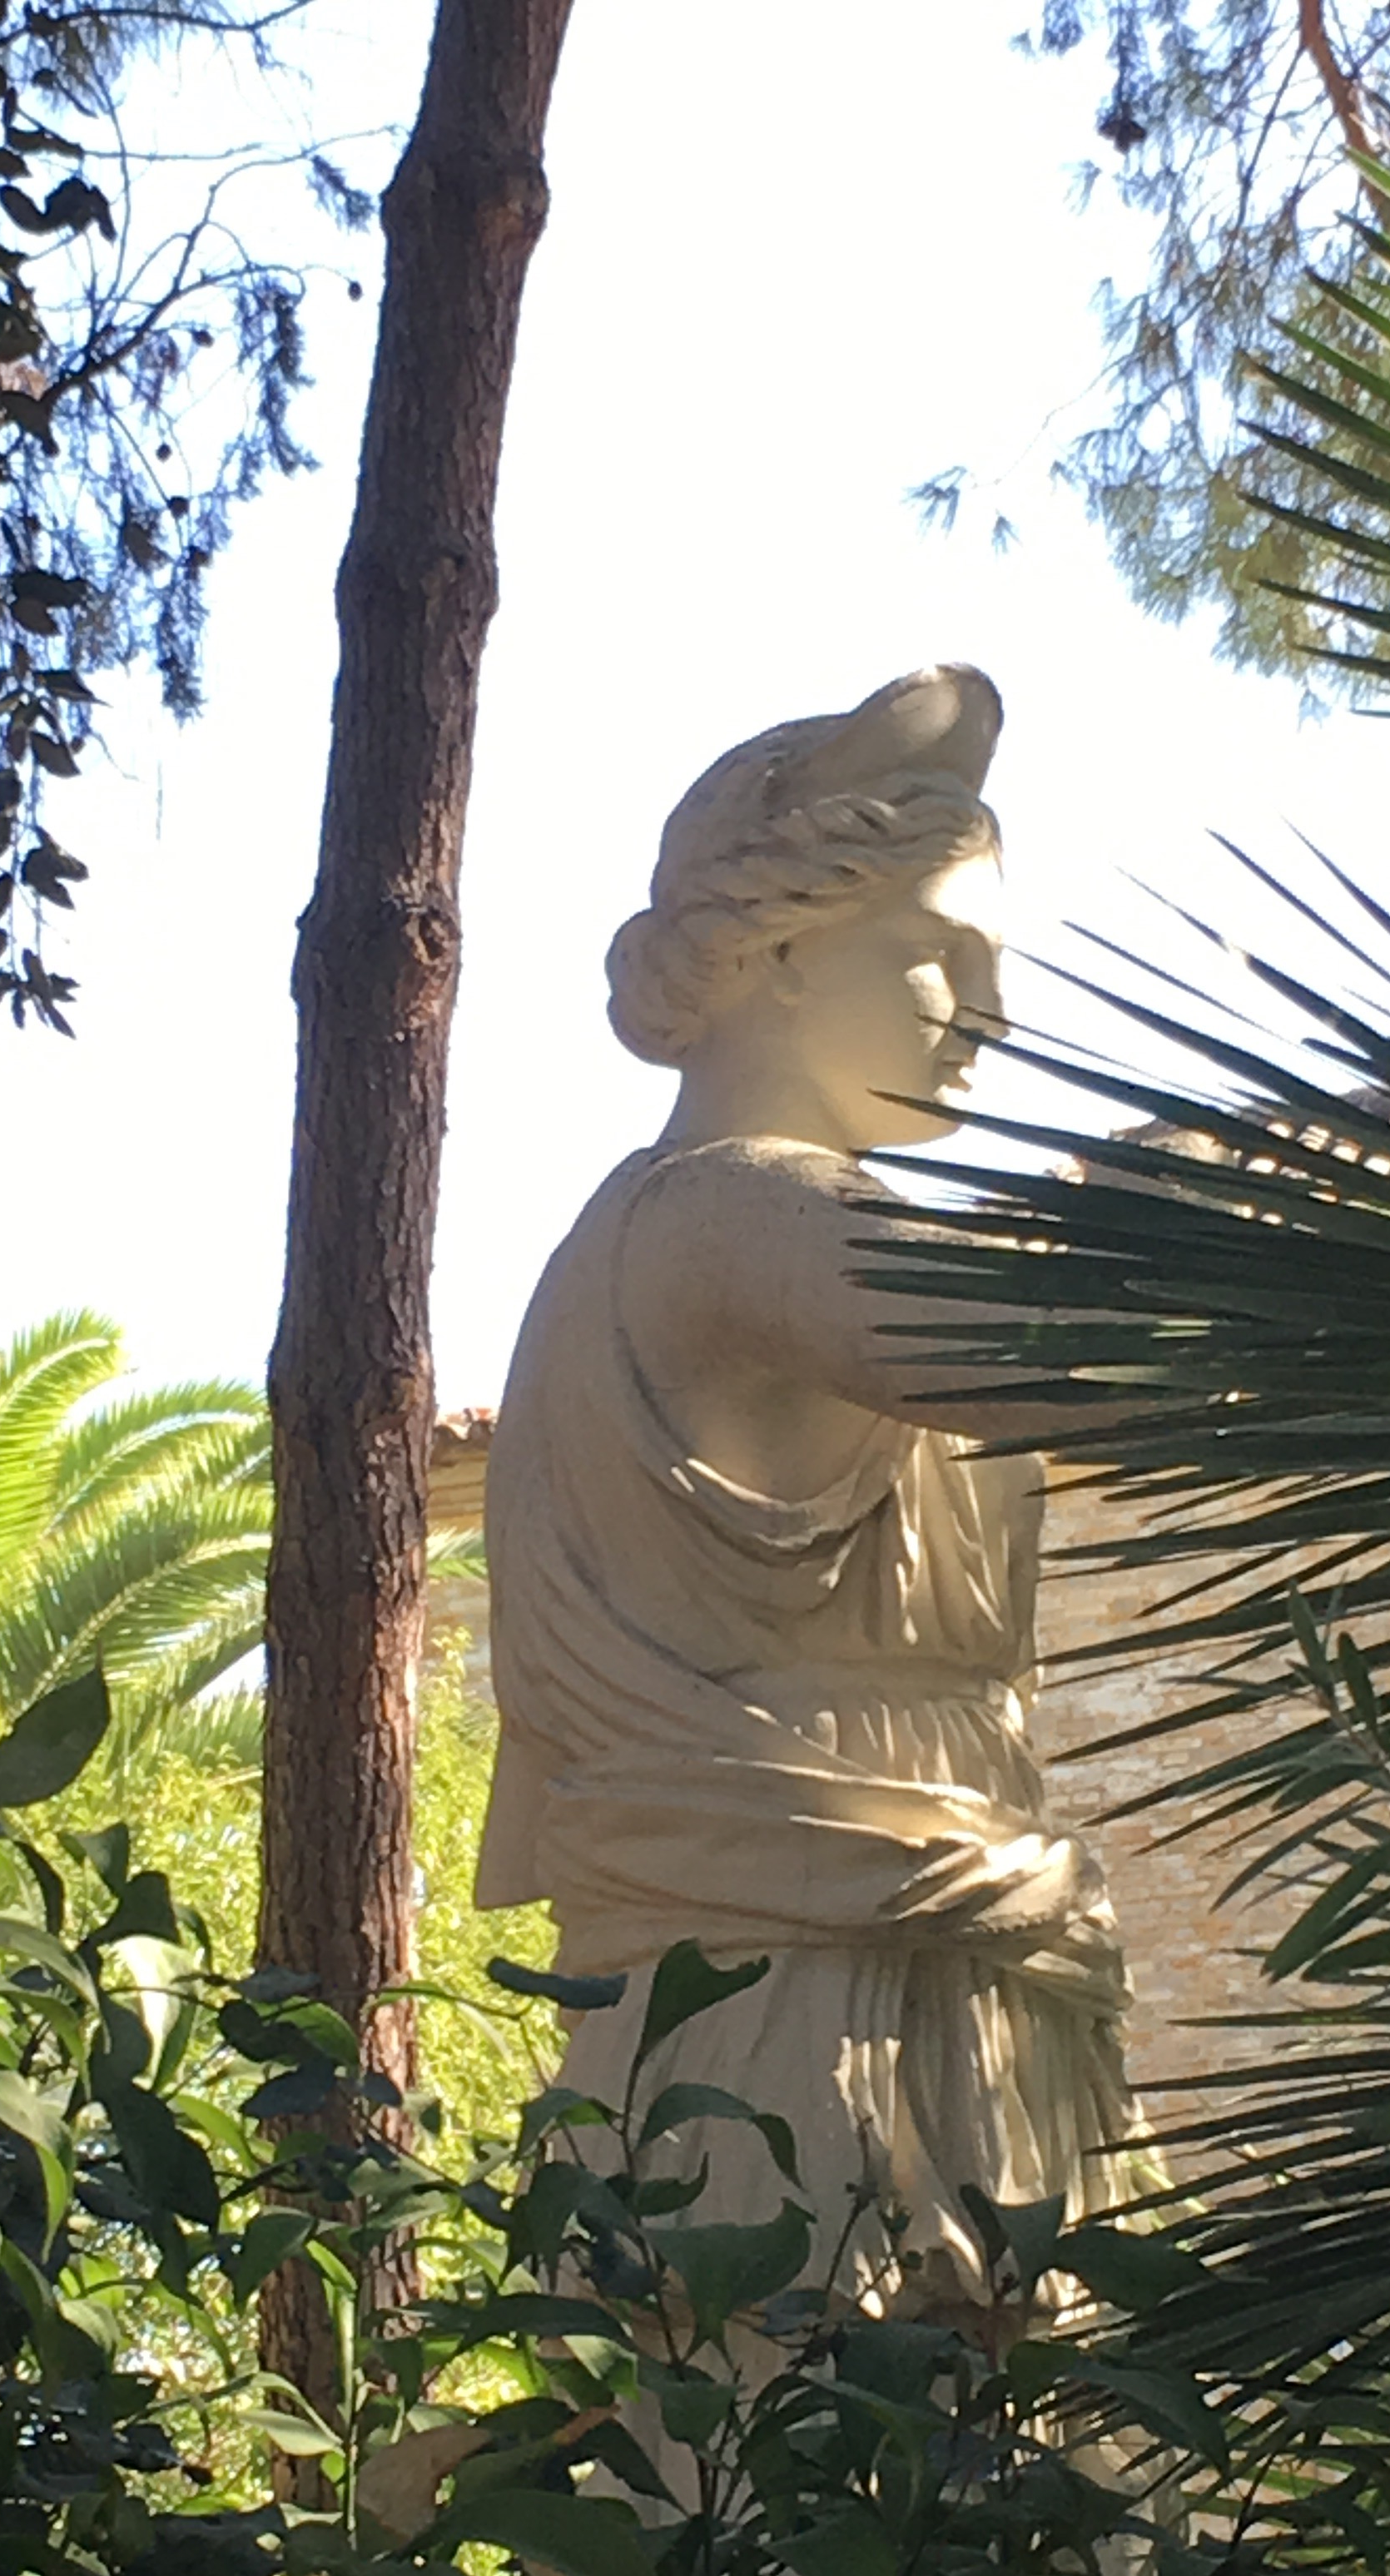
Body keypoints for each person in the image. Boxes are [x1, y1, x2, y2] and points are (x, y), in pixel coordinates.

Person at [477, 663, 1137, 2332]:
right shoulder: (730, 1216)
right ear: (780, 953)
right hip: (801, 1992)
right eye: (942, 957)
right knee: (819, 2407)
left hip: (927, 1943)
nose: (990, 1012)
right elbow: (1054, 1359)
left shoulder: (736, 1221)